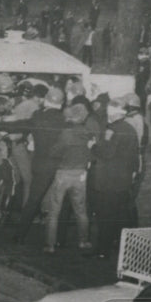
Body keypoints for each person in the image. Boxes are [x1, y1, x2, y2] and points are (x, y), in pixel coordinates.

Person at [0, 86, 66, 245]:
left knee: (33, 200)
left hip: (41, 164)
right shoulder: (65, 119)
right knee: (62, 201)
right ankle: (59, 239)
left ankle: (20, 235)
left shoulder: (38, 116)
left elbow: (19, 125)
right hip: (61, 165)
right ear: (61, 103)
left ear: (45, 100)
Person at [86, 99, 139, 258]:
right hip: (123, 180)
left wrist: (93, 146)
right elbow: (134, 156)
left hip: (108, 180)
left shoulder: (112, 130)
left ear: (113, 112)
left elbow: (107, 153)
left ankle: (102, 250)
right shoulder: (130, 128)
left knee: (105, 216)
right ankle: (118, 244)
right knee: (119, 214)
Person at [43, 103, 92, 254]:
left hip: (63, 173)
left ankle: (50, 245)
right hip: (81, 174)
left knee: (54, 210)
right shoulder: (88, 132)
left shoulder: (66, 133)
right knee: (81, 210)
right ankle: (83, 241)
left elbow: (55, 152)